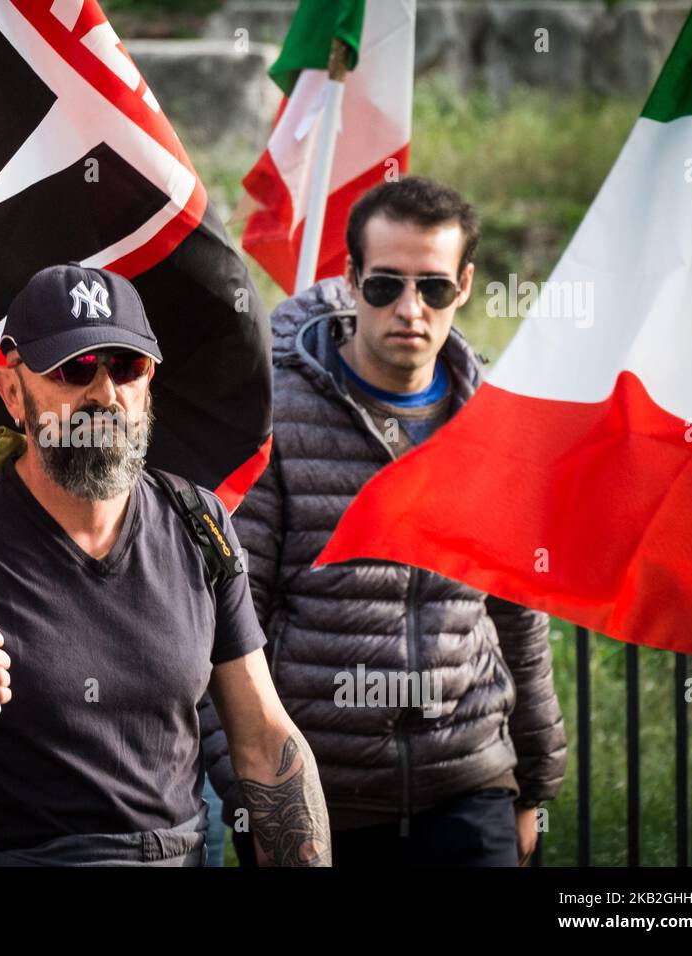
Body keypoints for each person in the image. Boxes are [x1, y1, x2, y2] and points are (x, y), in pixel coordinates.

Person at [0, 263, 331, 866]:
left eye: (125, 367)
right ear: (12, 391)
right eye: (73, 369)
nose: (103, 394)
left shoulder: (199, 524)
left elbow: (264, 742)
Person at [202, 177, 567, 868]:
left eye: (432, 288)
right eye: (385, 286)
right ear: (349, 279)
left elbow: (519, 618)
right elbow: (226, 624)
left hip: (469, 788)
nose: (409, 309)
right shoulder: (275, 418)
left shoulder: (495, 426)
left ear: (463, 286)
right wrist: (259, 801)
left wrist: (533, 788)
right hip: (315, 800)